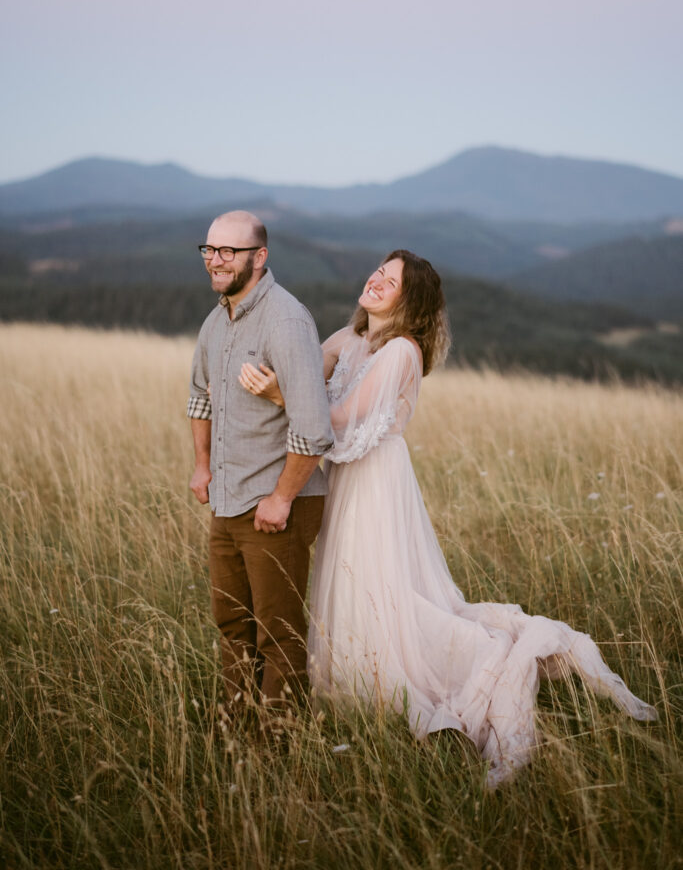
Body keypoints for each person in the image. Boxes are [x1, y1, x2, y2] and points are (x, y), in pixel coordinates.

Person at [238, 249, 657, 786]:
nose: (376, 280)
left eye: (390, 281)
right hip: (345, 482)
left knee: (379, 587)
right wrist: (271, 364)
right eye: (378, 272)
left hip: (375, 483)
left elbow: (337, 416)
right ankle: (353, 678)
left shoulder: (401, 353)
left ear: (409, 302)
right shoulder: (349, 340)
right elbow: (306, 375)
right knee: (347, 584)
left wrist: (280, 394)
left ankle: (428, 681)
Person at [187, 210, 333, 711]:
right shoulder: (215, 321)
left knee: (279, 634)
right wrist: (202, 465)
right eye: (209, 250)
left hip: (275, 509)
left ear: (259, 257)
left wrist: (281, 497)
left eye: (228, 251)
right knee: (231, 624)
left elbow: (314, 429)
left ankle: (278, 753)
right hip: (227, 500)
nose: (215, 261)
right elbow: (199, 399)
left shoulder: (286, 320)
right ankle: (235, 733)